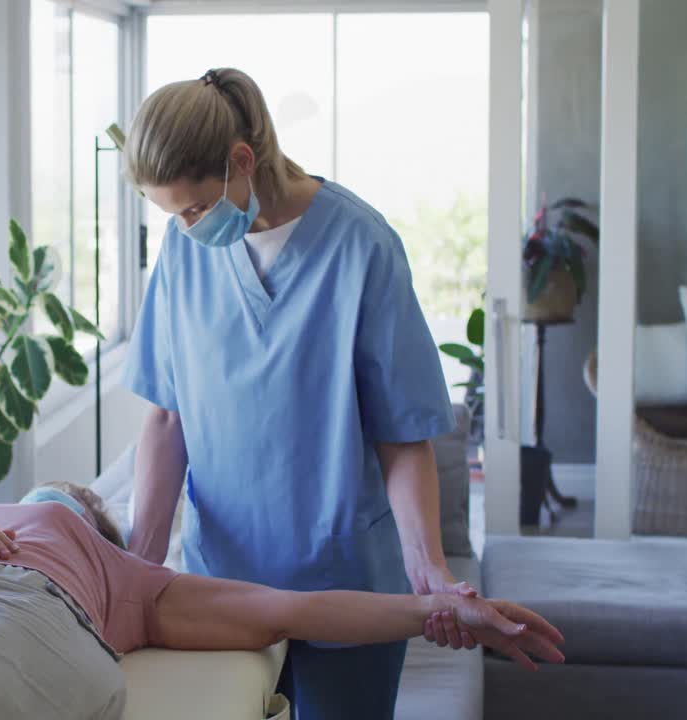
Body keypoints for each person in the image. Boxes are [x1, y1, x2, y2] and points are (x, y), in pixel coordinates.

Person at [121, 67, 476, 719]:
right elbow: (168, 418)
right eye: (173, 213)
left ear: (241, 161)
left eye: (195, 206)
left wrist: (430, 574)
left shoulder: (361, 246)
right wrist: (135, 571)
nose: (187, 226)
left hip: (343, 579)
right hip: (219, 587)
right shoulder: (183, 249)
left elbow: (403, 434)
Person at [0, 484, 564, 720]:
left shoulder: (120, 574)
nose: (47, 499)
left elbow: (289, 610)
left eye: (66, 499)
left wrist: (438, 610)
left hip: (34, 612)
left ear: (92, 518)